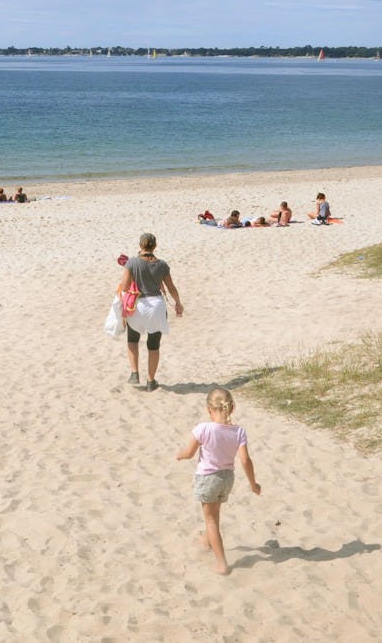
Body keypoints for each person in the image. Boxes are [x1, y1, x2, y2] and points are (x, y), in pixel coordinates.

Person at [176, 387, 261, 575]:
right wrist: (253, 484)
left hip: (208, 478)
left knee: (211, 520)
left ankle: (221, 563)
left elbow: (189, 453)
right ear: (232, 408)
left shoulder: (203, 429)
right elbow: (245, 460)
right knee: (215, 515)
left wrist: (180, 455)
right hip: (226, 479)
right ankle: (207, 541)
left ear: (209, 410)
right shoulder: (239, 432)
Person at [117, 232, 183, 391]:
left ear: (140, 246)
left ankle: (134, 373)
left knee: (132, 339)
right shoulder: (162, 265)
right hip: (156, 307)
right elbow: (171, 287)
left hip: (137, 306)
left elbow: (125, 287)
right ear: (155, 246)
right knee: (153, 345)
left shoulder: (132, 263)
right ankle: (151, 381)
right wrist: (178, 303)